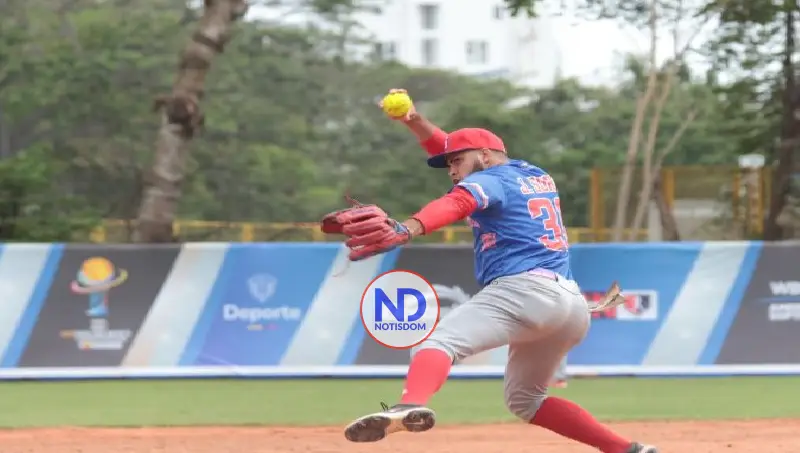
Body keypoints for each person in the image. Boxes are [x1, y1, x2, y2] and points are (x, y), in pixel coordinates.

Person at [339, 89, 657, 453]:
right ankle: (627, 450)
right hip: (570, 303)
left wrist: (408, 228)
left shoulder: (489, 180)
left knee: (436, 343)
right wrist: (413, 119)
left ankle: (410, 403)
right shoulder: (531, 174)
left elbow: (458, 201)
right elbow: (450, 146)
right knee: (527, 400)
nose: (452, 170)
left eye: (456, 162)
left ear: (486, 156)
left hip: (524, 292)